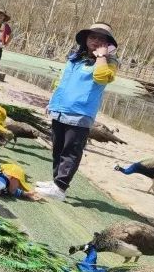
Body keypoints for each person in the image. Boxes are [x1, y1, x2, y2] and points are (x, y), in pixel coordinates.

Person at [36, 22, 119, 201]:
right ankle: (55, 182)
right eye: (92, 37)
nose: (95, 41)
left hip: (80, 113)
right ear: (86, 39)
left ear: (107, 44)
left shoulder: (109, 63)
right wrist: (52, 101)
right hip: (60, 108)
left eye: (101, 39)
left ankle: (60, 187)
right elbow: (62, 80)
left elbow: (101, 78)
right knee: (57, 148)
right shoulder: (75, 58)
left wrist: (101, 56)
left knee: (71, 151)